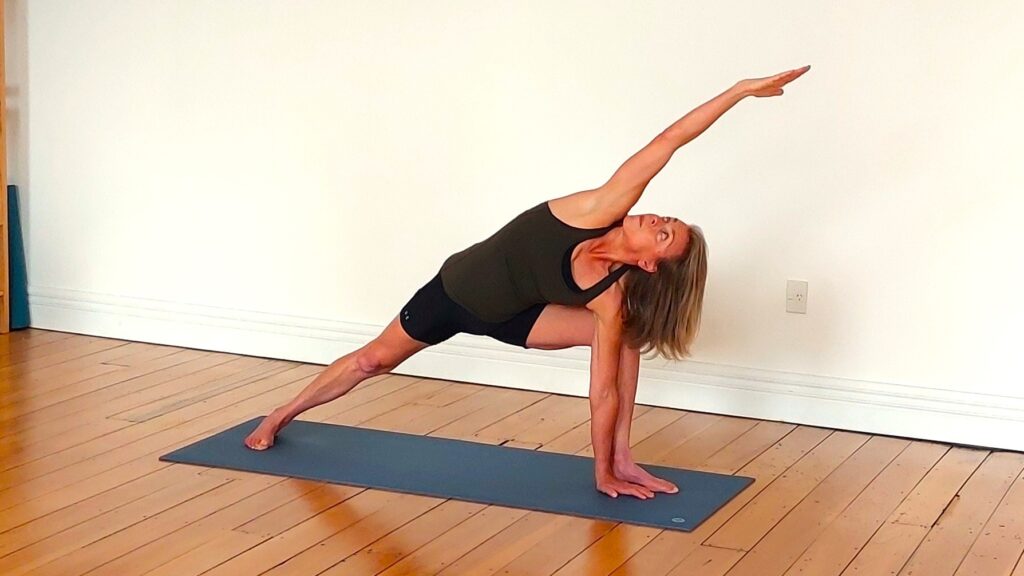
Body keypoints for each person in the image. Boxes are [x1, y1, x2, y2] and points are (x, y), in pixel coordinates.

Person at [244, 65, 811, 500]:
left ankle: (621, 459)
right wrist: (738, 91)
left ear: (649, 265)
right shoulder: (599, 208)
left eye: (664, 236)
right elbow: (668, 142)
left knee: (625, 338)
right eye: (665, 220)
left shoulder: (608, 299)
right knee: (372, 361)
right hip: (455, 294)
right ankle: (279, 417)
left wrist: (602, 467)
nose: (657, 221)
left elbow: (603, 390)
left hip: (515, 317)